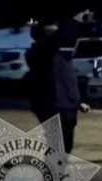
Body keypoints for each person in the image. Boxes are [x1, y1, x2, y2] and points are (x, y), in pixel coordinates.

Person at [26, 18, 90, 154]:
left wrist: (79, 101)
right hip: (52, 106)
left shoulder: (58, 57)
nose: (56, 34)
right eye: (51, 32)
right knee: (58, 145)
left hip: (65, 105)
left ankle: (56, 172)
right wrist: (74, 21)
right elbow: (56, 38)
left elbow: (67, 80)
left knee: (64, 145)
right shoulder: (40, 53)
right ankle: (54, 173)